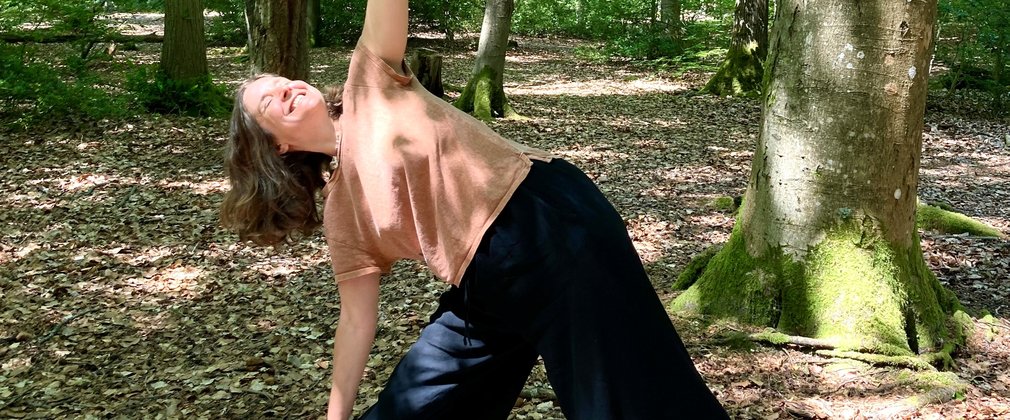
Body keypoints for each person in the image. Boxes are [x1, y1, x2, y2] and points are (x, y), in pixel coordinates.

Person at [221, 1, 728, 419]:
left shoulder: (368, 80)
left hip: (545, 222)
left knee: (629, 396)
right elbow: (356, 321)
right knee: (418, 405)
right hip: (485, 280)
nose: (287, 88)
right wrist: (336, 414)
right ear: (276, 148)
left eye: (284, 81)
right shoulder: (341, 214)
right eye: (269, 101)